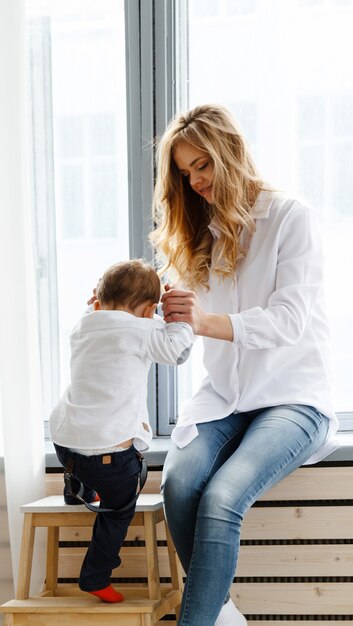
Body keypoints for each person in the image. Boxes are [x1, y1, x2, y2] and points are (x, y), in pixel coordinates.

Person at [150, 104, 339, 626]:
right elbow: (180, 337)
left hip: (293, 396)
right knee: (179, 485)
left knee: (222, 496)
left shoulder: (288, 216)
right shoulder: (198, 231)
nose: (196, 181)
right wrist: (126, 317)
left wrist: (206, 321)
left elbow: (289, 321)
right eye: (185, 174)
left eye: (202, 165)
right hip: (226, 395)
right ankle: (221, 612)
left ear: (230, 153)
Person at [50, 258, 194, 604]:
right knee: (119, 509)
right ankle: (95, 576)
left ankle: (77, 490)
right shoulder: (141, 329)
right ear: (148, 311)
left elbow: (97, 312)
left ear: (97, 302)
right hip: (110, 457)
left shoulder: (81, 327)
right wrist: (180, 321)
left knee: (82, 457)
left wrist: (99, 305)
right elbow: (177, 351)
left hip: (65, 445)